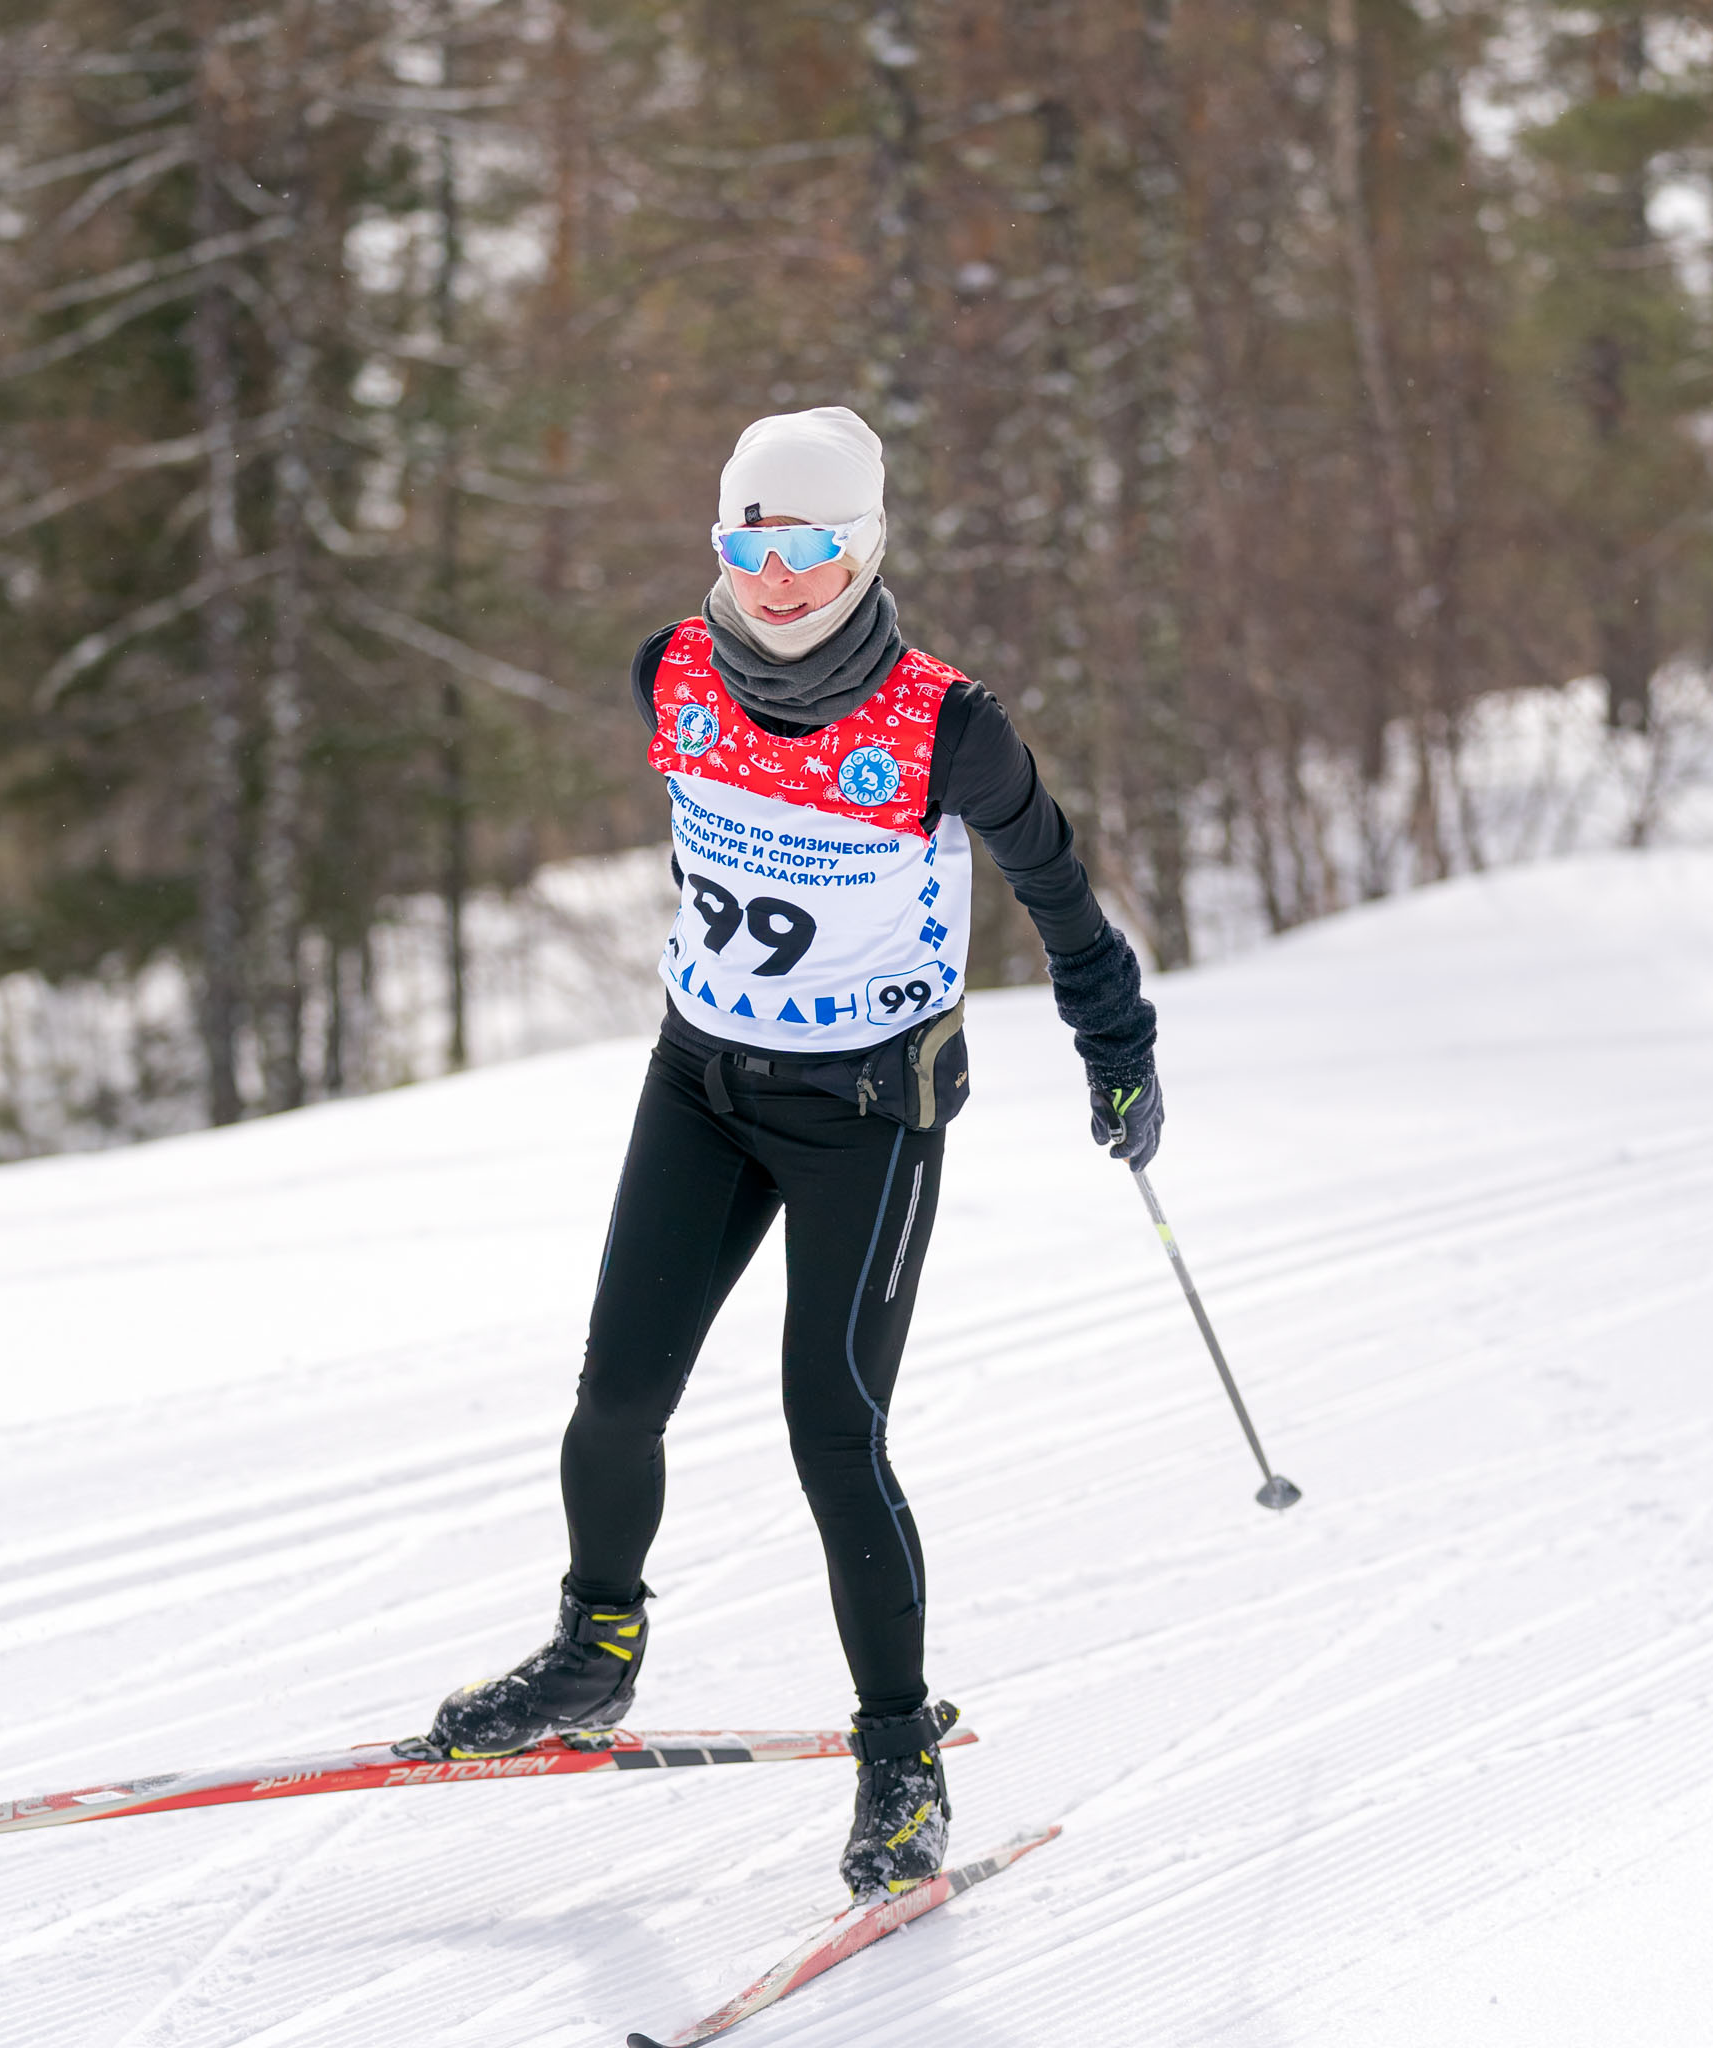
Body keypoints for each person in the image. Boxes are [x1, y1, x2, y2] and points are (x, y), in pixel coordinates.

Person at [420, 405, 1163, 1901]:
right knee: (617, 1394)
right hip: (700, 1079)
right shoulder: (672, 671)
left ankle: (901, 1758)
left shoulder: (947, 723)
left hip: (869, 1108)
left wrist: (1118, 1040)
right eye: (749, 545)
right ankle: (594, 1651)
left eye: (811, 547)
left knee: (831, 1425)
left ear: (866, 548)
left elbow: (1058, 884)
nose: (777, 578)